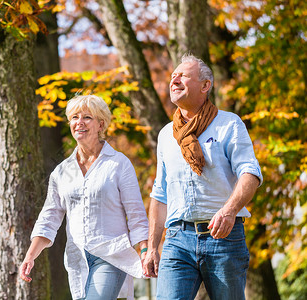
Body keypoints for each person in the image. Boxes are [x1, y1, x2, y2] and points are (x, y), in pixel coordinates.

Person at [143, 54, 263, 300]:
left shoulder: (229, 124)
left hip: (224, 237)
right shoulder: (166, 135)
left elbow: (250, 173)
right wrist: (152, 248)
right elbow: (160, 192)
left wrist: (229, 211)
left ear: (205, 85)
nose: (174, 80)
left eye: (183, 75)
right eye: (173, 76)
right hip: (177, 239)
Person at [20, 95, 149, 300]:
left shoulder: (118, 164)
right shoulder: (62, 171)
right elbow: (50, 217)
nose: (79, 122)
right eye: (74, 117)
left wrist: (145, 251)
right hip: (77, 259)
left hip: (110, 255)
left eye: (87, 117)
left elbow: (136, 214)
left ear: (101, 124)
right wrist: (30, 255)